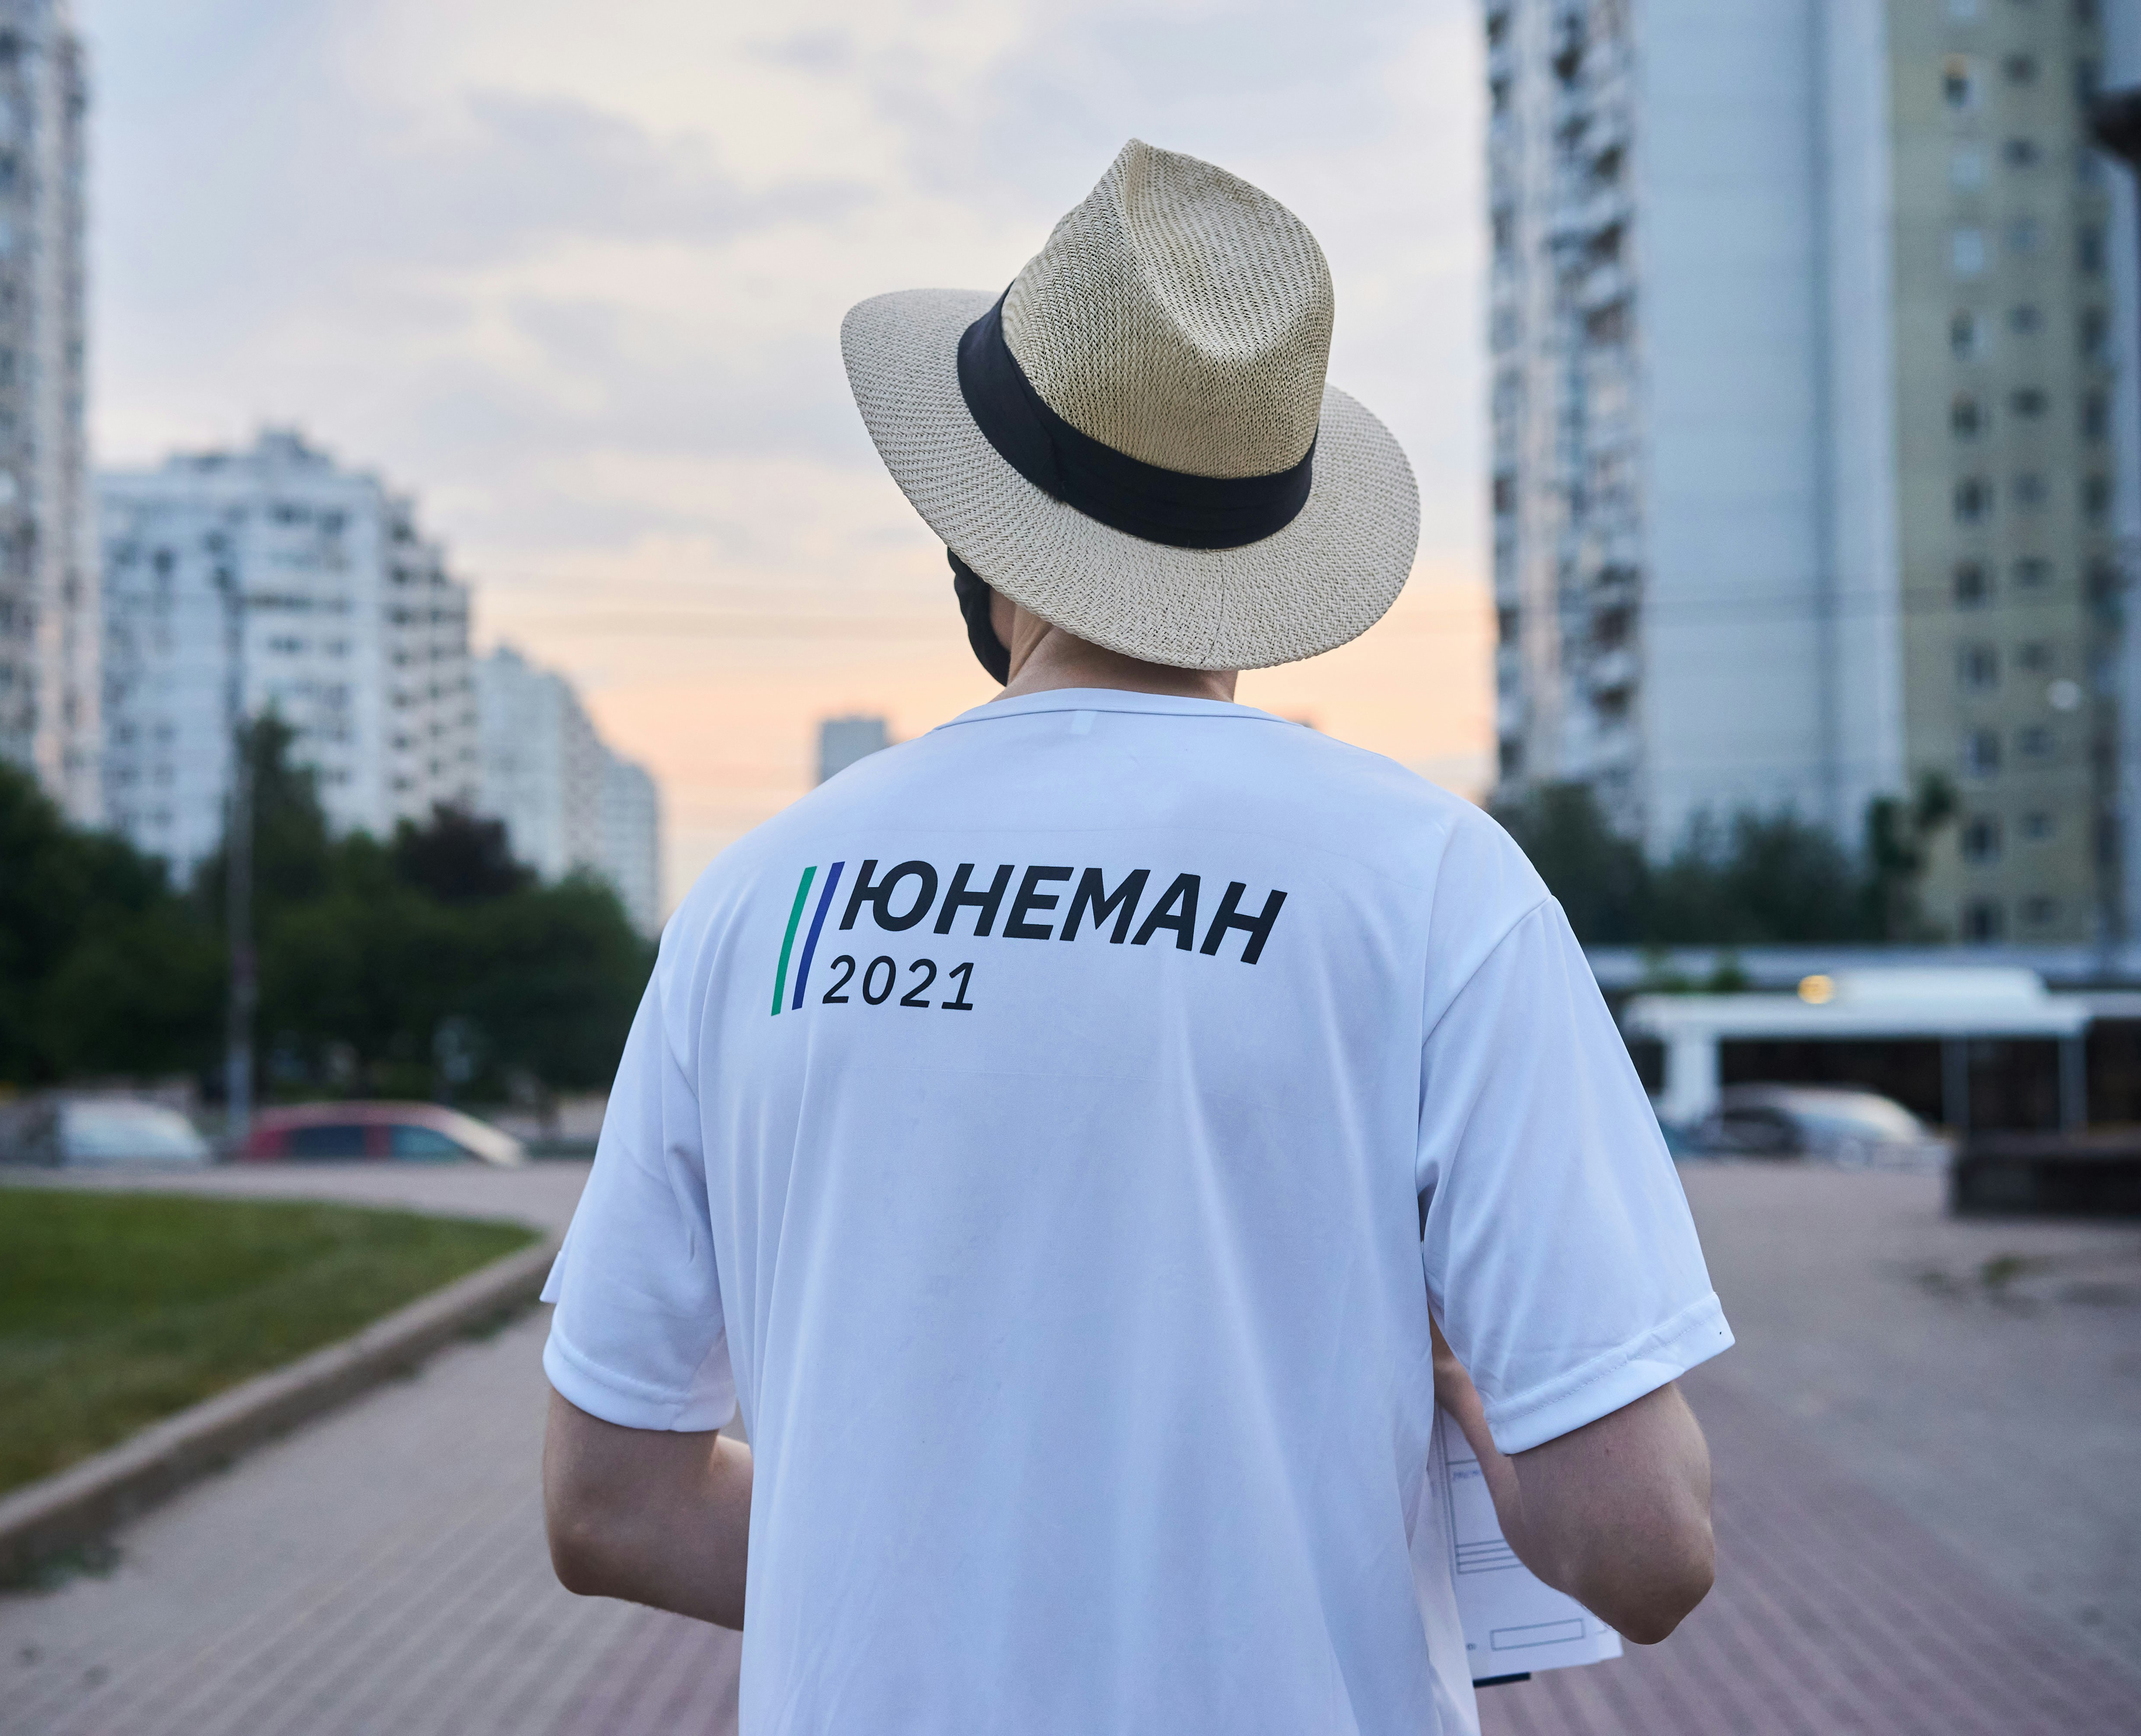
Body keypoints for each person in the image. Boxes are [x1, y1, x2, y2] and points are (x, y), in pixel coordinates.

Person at [539, 139, 1729, 1735]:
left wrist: (936, 1576)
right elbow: (1642, 1550)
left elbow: (609, 1503)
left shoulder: (763, 900)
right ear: (1264, 561)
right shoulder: (1431, 883)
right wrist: (1462, 1417)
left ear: (978, 539)